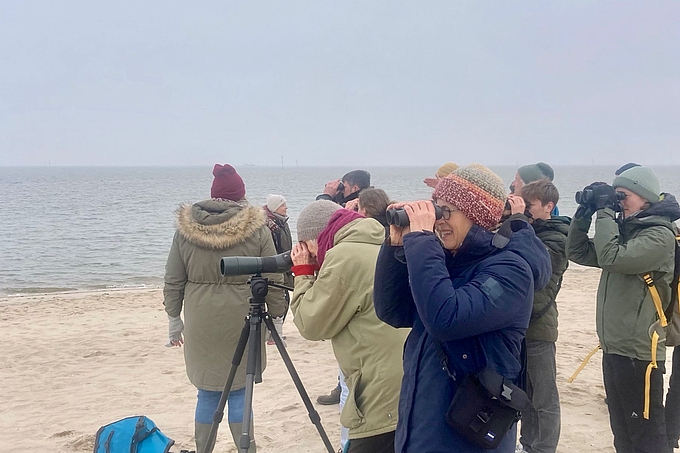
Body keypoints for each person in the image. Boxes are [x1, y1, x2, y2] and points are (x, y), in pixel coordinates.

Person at [373, 164, 551, 453]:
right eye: (436, 209)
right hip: (424, 427)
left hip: (468, 435)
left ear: (478, 215)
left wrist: (420, 240)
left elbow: (447, 318)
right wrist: (395, 247)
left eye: (447, 211)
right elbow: (393, 310)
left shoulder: (510, 271)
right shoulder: (448, 261)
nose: (438, 220)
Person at [163, 164, 286, 453]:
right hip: (244, 316)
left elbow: (173, 278)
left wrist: (173, 317)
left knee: (207, 391)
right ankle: (247, 449)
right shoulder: (257, 228)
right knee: (241, 391)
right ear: (241, 197)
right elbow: (273, 275)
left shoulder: (185, 230)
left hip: (200, 317)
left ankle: (204, 449)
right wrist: (277, 317)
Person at [566, 165, 680, 453]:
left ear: (645, 199)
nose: (617, 202)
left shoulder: (659, 236)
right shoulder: (625, 233)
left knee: (646, 437)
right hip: (614, 347)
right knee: (624, 436)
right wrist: (584, 214)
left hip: (640, 352)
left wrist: (605, 212)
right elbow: (577, 252)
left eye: (622, 196)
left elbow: (610, 257)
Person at [290, 200, 408, 453]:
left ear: (314, 240)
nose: (312, 255)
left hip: (380, 392)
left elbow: (311, 324)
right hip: (409, 380)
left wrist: (303, 273)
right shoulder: (380, 241)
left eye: (307, 248)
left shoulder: (344, 256)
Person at [508, 179, 570, 453]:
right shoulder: (528, 230)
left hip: (540, 325)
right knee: (526, 395)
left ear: (549, 206)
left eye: (529, 206)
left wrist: (521, 223)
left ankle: (544, 448)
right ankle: (528, 444)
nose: (527, 211)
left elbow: (537, 268)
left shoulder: (557, 235)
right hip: (521, 324)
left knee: (545, 397)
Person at [315, 169, 372, 405]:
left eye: (345, 186)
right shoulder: (364, 203)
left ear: (355, 188)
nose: (342, 189)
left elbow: (320, 220)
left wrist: (325, 197)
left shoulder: (357, 210)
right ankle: (344, 386)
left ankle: (345, 388)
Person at [263, 194, 294, 346]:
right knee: (277, 298)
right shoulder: (266, 226)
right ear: (275, 207)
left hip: (285, 265)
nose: (286, 208)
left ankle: (273, 332)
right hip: (273, 267)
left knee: (284, 298)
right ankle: (271, 334)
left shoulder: (283, 223)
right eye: (283, 205)